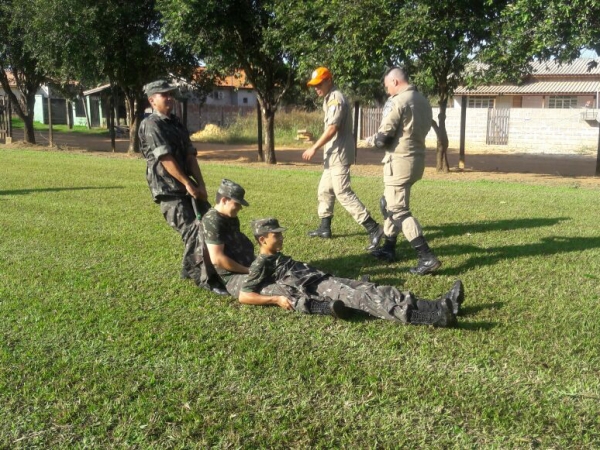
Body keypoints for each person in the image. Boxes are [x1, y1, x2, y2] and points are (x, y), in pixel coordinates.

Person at [238, 217, 465, 327]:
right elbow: (244, 295)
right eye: (276, 235)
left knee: (376, 289)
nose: (281, 237)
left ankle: (441, 305)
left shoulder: (275, 256)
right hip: (317, 289)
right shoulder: (260, 263)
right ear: (262, 239)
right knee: (367, 299)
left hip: (323, 279)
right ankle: (433, 318)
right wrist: (276, 299)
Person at [139, 79, 227, 295]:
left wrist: (201, 185)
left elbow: (190, 155)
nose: (169, 98)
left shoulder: (176, 122)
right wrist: (187, 183)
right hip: (168, 189)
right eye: (164, 95)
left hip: (188, 186)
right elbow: (166, 158)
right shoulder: (151, 124)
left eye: (170, 94)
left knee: (210, 223)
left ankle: (190, 269)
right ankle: (204, 278)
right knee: (193, 230)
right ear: (152, 100)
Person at [366, 67, 441, 275]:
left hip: (399, 162)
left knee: (398, 211)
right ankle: (389, 248)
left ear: (395, 82)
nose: (387, 90)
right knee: (388, 203)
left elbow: (383, 138)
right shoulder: (423, 100)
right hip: (416, 160)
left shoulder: (399, 101)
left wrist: (371, 140)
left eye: (387, 85)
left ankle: (427, 257)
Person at [303, 67, 383, 251]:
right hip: (331, 154)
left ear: (329, 80)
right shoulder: (329, 99)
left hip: (339, 154)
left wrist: (314, 147)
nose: (316, 88)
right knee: (324, 190)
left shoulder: (336, 99)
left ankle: (374, 228)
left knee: (343, 192)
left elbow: (332, 129)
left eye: (319, 84)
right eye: (314, 85)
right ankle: (324, 228)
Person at [202, 179, 256, 297]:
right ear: (224, 200)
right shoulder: (213, 221)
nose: (240, 208)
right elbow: (218, 259)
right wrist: (248, 270)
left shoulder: (231, 217)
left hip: (244, 265)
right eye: (237, 204)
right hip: (231, 275)